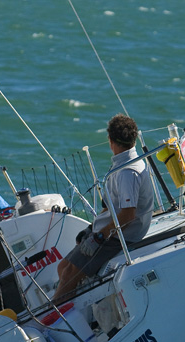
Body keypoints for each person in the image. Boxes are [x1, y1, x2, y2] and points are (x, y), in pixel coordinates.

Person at [53, 114, 154, 303]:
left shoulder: (127, 172)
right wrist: (91, 229)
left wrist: (99, 237)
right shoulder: (123, 163)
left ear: (110, 140)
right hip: (110, 230)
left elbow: (128, 215)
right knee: (63, 267)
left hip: (121, 235)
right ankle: (71, 303)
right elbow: (110, 208)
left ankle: (53, 314)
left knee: (68, 275)